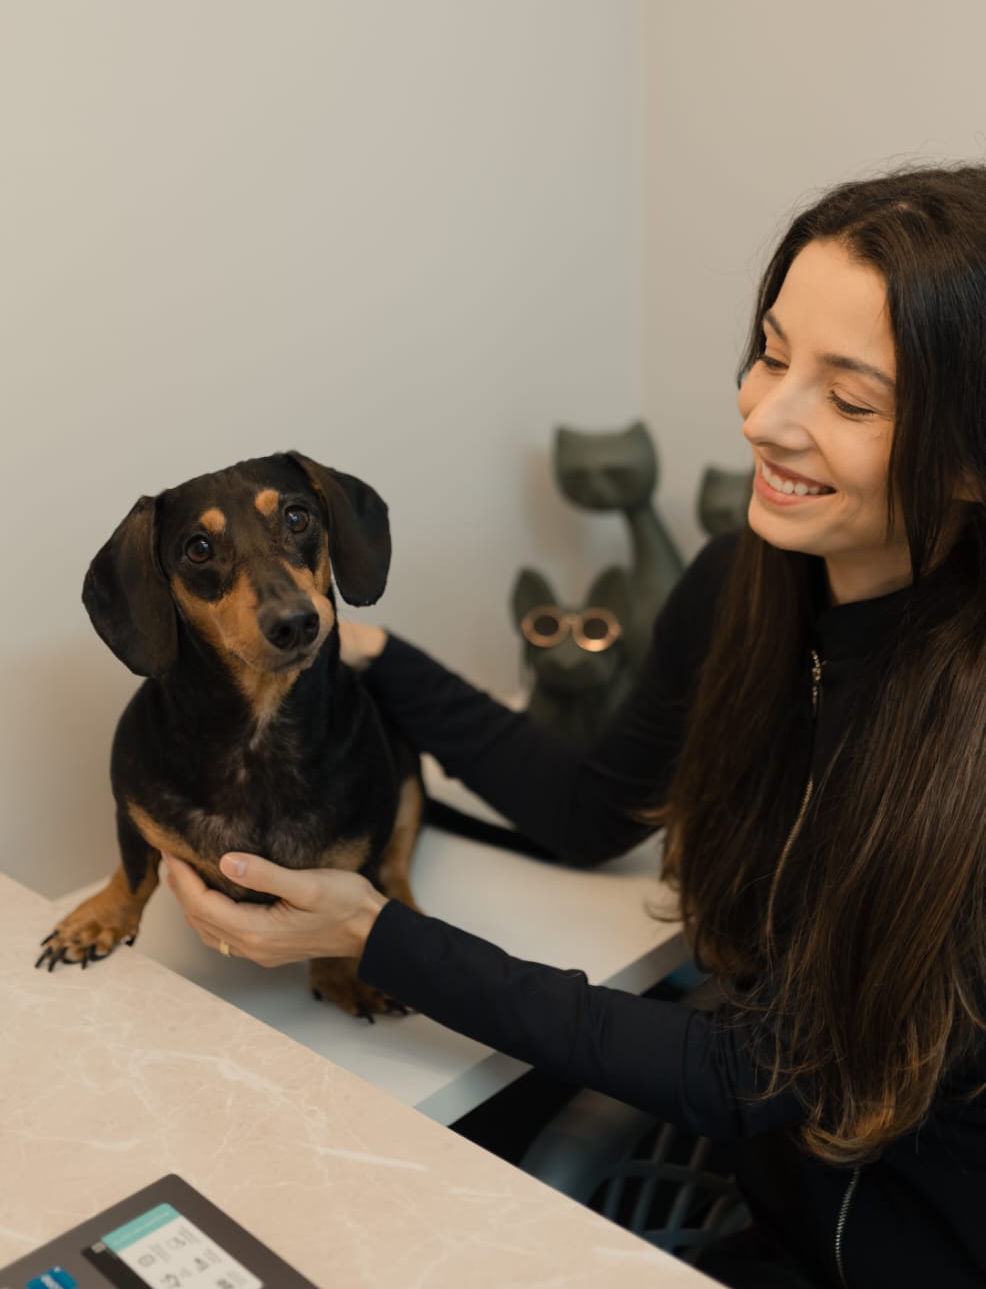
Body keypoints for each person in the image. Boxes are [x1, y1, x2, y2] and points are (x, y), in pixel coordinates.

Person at [164, 166, 986, 1288]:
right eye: (772, 353)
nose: (763, 416)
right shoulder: (748, 583)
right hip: (787, 1208)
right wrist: (377, 657)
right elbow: (589, 810)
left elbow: (757, 1069)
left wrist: (376, 935)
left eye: (850, 400)